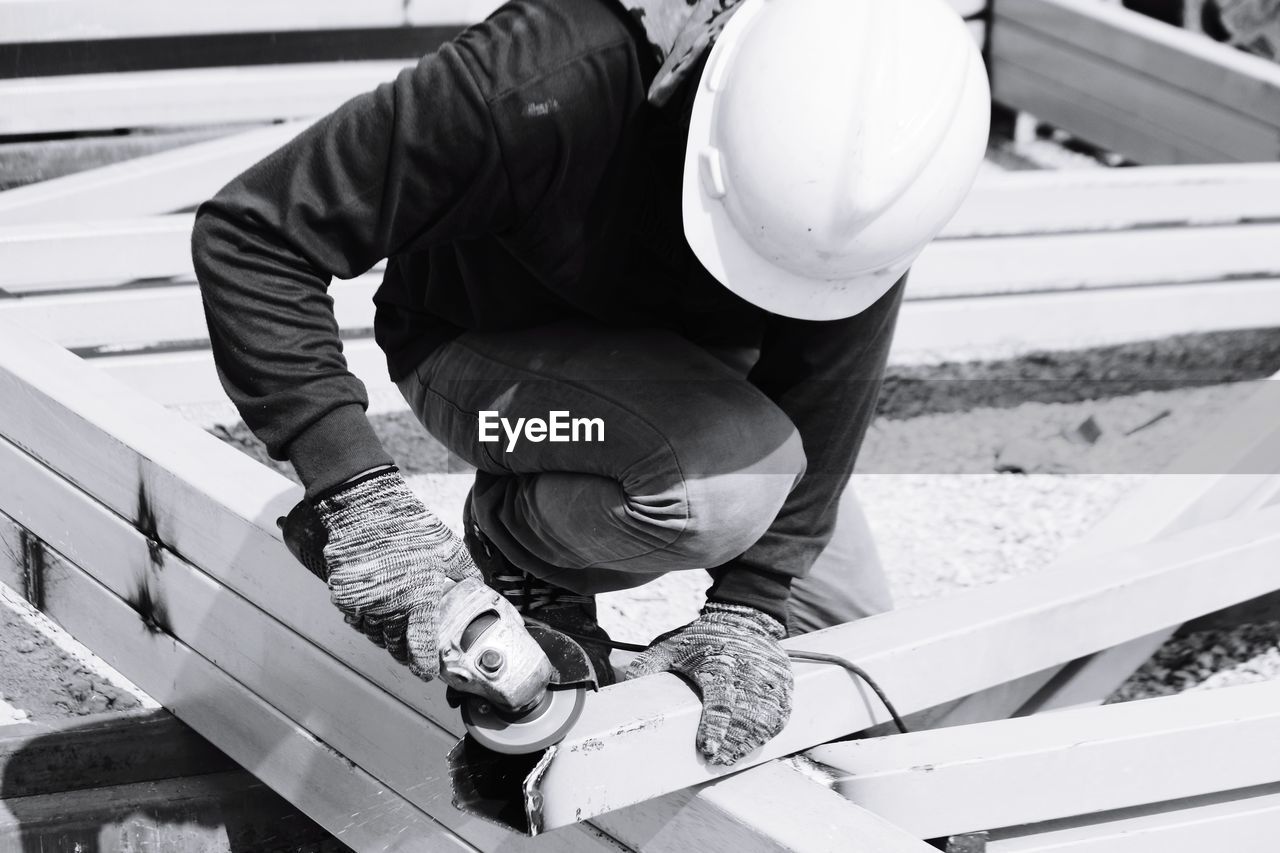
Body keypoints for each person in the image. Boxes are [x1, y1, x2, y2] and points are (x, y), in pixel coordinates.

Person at [193, 0, 987, 767]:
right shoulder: (545, 76)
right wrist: (357, 498)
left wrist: (750, 603)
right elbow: (254, 233)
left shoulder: (880, 158)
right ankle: (516, 536)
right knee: (726, 492)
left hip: (691, 385)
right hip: (482, 351)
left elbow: (826, 385)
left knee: (843, 639)